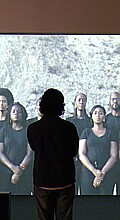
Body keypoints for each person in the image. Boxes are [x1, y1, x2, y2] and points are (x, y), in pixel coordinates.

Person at [27, 88, 79, 220]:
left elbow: (34, 148)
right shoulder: (69, 127)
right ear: (61, 106)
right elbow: (73, 151)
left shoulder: (33, 128)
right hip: (65, 180)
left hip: (42, 180)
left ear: (42, 105)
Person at [79, 105, 117, 195]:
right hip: (88, 172)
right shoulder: (86, 132)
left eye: (100, 113)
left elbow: (114, 156)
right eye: (95, 113)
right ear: (91, 116)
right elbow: (82, 154)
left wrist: (102, 173)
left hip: (106, 172)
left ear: (104, 116)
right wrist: (94, 171)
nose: (98, 115)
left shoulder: (110, 133)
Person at [0, 102, 33, 194]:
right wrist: (13, 168)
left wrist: (19, 170)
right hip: (5, 171)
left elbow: (29, 154)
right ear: (9, 114)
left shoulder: (28, 131)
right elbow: (0, 152)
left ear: (23, 115)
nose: (16, 113)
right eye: (13, 111)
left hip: (24, 172)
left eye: (19, 111)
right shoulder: (4, 131)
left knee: (21, 201)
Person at [66, 93, 91, 195]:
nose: (81, 102)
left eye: (83, 100)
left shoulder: (90, 121)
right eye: (79, 100)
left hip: (87, 161)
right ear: (75, 103)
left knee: (86, 190)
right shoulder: (68, 122)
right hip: (72, 161)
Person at [105, 92, 120, 194]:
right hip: (108, 160)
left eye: (117, 99)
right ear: (109, 101)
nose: (115, 101)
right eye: (113, 99)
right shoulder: (105, 119)